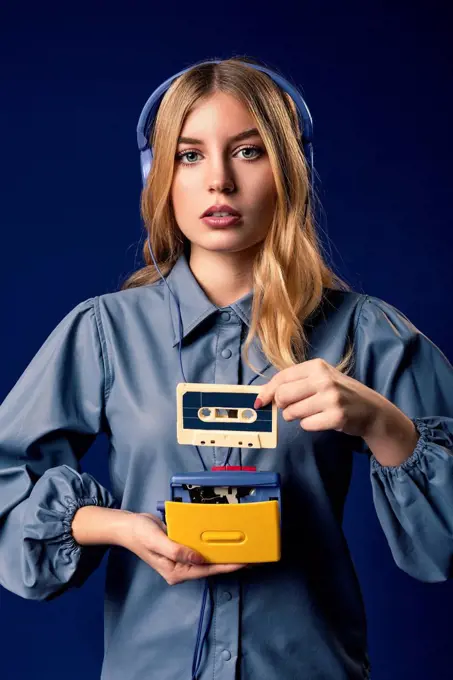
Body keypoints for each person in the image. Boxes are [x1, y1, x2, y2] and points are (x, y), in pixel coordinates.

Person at [1, 55, 453, 680]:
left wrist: (385, 426)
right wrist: (118, 527)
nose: (219, 181)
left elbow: (446, 546)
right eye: (189, 155)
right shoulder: (104, 331)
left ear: (289, 172)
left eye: (247, 152)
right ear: (158, 176)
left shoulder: (366, 332)